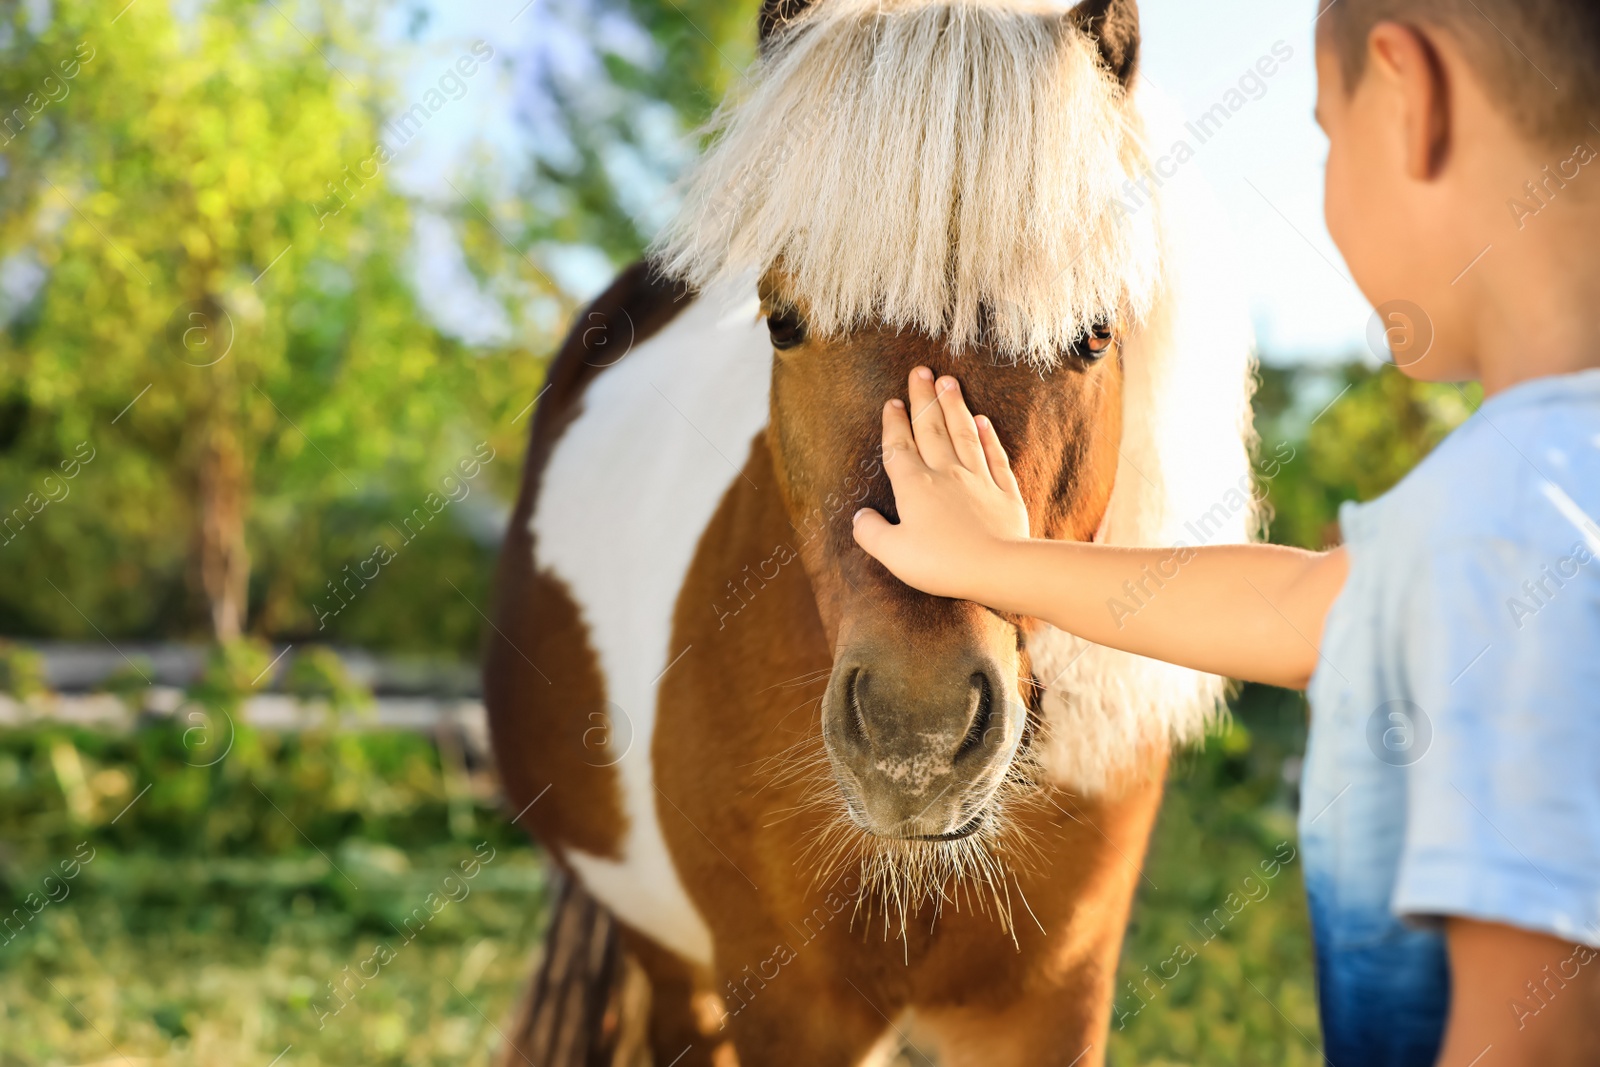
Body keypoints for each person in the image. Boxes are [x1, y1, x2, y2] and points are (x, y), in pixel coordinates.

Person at [850, 3, 1600, 1064]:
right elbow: (1305, 606)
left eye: (1326, 134)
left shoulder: (1496, 528)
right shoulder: (1530, 508)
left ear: (1408, 99)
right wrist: (994, 563)